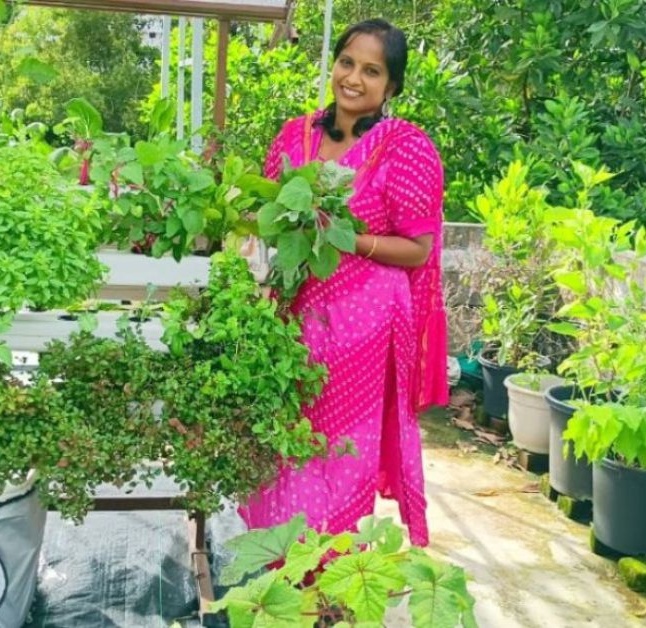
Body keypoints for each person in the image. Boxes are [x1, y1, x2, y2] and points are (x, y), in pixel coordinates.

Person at [239, 18, 447, 547]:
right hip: (291, 322)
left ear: (391, 86)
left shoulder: (404, 146)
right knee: (280, 442)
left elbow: (418, 248)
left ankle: (327, 576)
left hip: (362, 333)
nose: (354, 78)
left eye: (372, 71)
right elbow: (269, 220)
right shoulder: (294, 134)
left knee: (336, 450)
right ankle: (276, 567)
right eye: (347, 62)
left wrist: (345, 237)